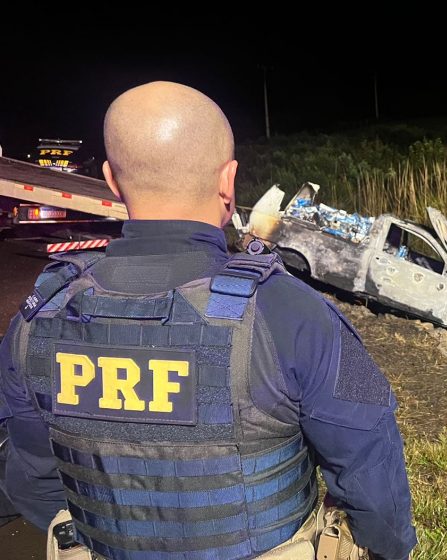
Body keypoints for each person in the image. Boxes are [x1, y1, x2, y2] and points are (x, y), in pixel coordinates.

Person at [0, 81, 416, 560]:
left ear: (112, 180)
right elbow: (373, 481)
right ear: (228, 180)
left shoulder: (38, 318)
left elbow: (31, 482)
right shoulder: (291, 314)